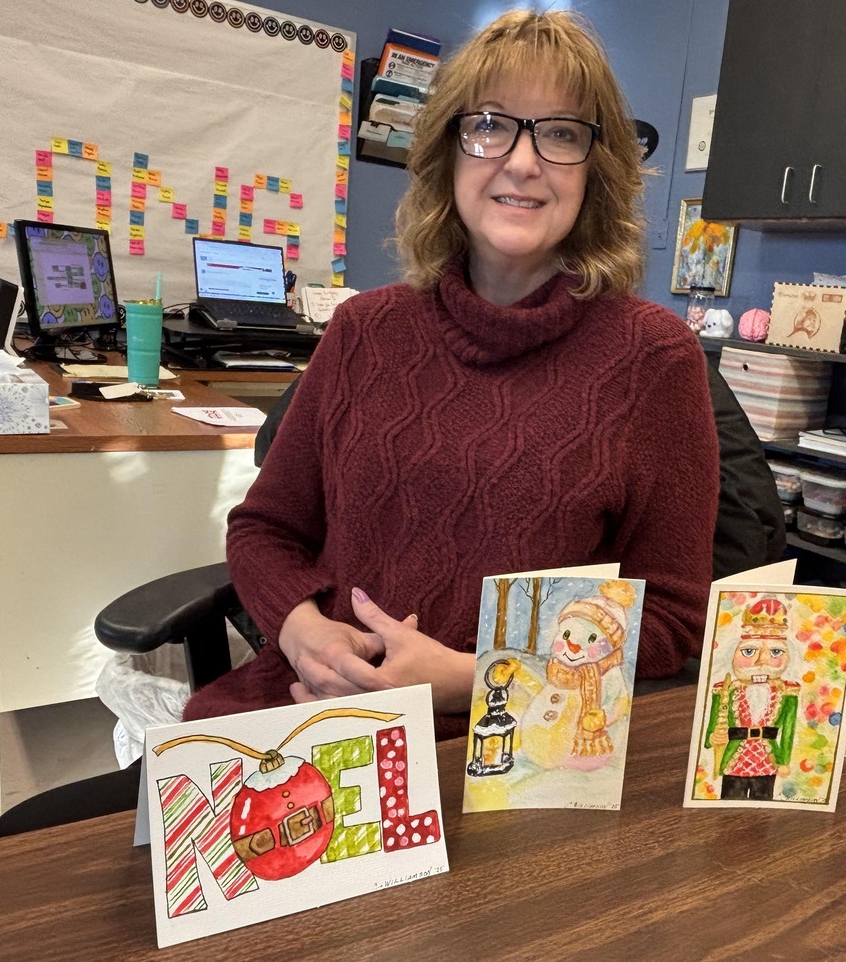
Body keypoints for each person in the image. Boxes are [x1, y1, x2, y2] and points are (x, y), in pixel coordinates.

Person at [183, 9, 720, 739]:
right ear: (449, 152)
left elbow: (671, 621)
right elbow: (264, 529)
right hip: (320, 714)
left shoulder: (653, 359)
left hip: (514, 751)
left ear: (598, 171)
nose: (523, 162)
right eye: (491, 125)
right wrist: (301, 631)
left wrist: (469, 680)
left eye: (562, 133)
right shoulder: (363, 330)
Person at [706, 597, 799, 800]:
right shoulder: (725, 690)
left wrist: (783, 761)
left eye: (775, 652)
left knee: (763, 800)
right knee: (730, 800)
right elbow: (713, 723)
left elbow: (788, 730)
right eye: (749, 651)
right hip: (734, 757)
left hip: (768, 759)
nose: (761, 660)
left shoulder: (787, 693)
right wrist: (712, 738)